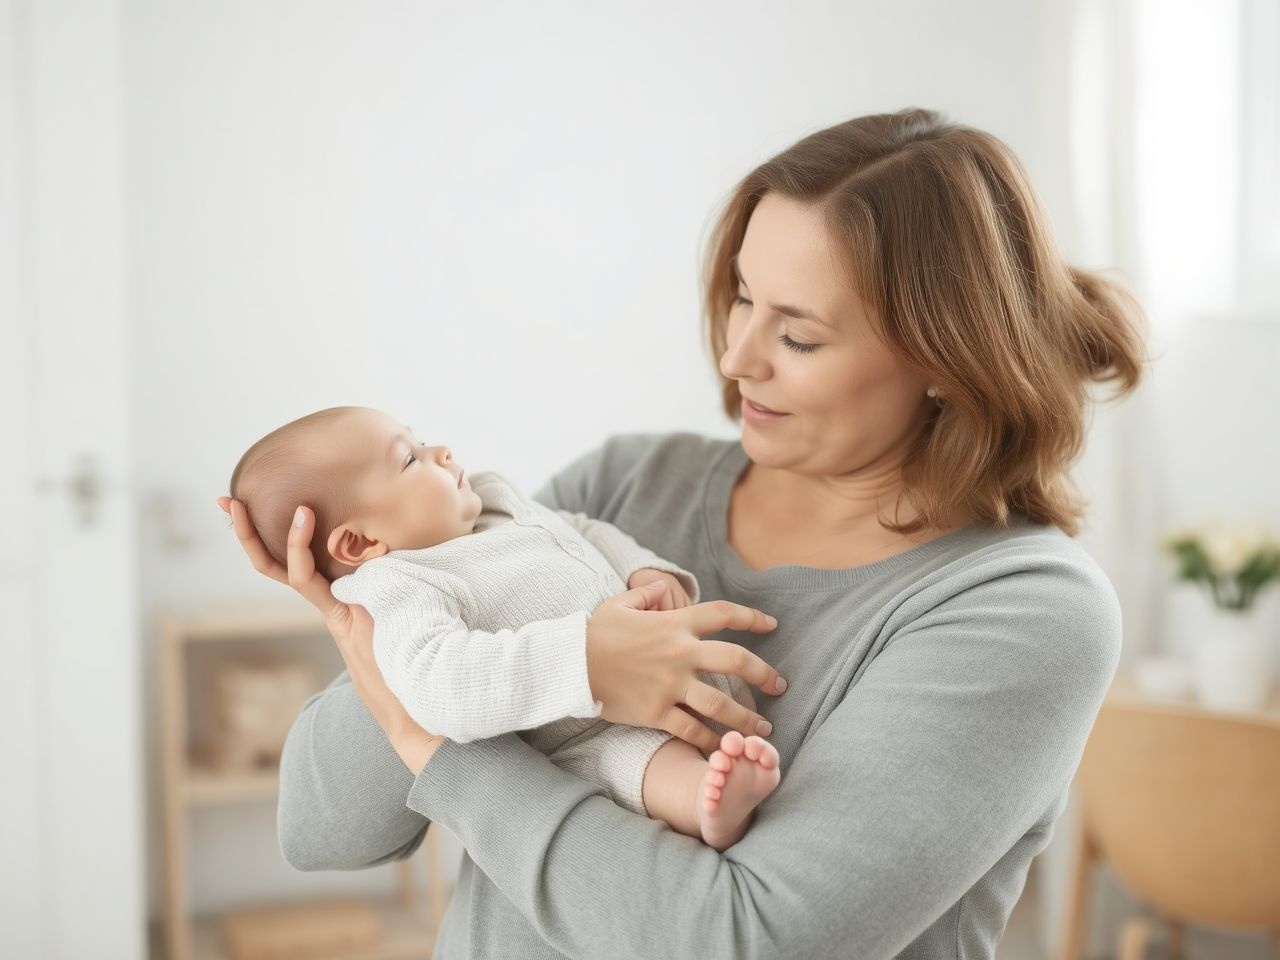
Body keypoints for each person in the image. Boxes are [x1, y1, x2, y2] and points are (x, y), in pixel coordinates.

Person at [220, 107, 1147, 959]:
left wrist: (434, 740)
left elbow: (739, 937)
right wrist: (380, 617)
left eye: (801, 335)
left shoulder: (1023, 611)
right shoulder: (623, 485)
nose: (737, 356)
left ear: (946, 359)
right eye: (743, 297)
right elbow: (322, 830)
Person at [226, 405, 783, 850]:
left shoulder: (492, 501)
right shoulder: (403, 588)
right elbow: (440, 683)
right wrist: (584, 663)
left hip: (670, 659)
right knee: (647, 771)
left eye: (419, 439)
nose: (439, 451)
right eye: (409, 461)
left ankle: (719, 779)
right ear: (361, 544)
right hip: (588, 731)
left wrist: (643, 569)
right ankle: (714, 808)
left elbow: (581, 528)